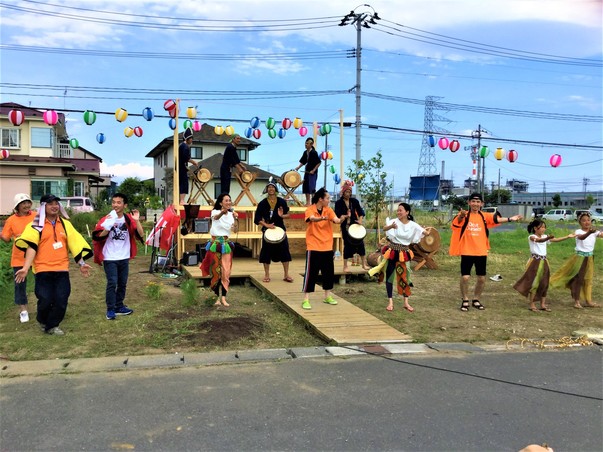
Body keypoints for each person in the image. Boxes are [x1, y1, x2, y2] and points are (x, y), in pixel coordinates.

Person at [14, 194, 92, 335]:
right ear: (44, 207)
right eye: (50, 204)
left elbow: (75, 244)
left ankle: (52, 325)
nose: (54, 206)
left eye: (56, 203)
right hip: (42, 269)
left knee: (62, 299)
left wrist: (82, 263)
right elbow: (31, 247)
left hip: (62, 268)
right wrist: (25, 268)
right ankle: (43, 320)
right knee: (45, 299)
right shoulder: (36, 225)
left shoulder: (65, 224)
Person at [449, 192, 522, 312]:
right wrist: (461, 215)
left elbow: (496, 219)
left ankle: (476, 299)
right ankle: (465, 299)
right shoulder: (464, 215)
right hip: (467, 251)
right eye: (473, 201)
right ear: (469, 202)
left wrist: (510, 219)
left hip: (481, 251)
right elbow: (456, 222)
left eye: (478, 202)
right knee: (465, 277)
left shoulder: (484, 216)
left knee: (481, 278)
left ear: (482, 204)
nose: (475, 204)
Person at [371, 203, 433, 312]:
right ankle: (390, 302)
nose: (398, 212)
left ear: (407, 212)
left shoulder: (413, 225)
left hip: (404, 253)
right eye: (398, 210)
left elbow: (424, 232)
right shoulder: (394, 221)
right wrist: (391, 226)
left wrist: (427, 232)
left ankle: (406, 302)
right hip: (393, 252)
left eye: (401, 210)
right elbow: (385, 228)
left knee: (406, 276)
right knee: (390, 275)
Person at [92, 193, 145, 320]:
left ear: (124, 205)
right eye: (114, 202)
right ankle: (110, 309)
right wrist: (108, 226)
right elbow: (98, 236)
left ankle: (119, 306)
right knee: (112, 282)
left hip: (124, 256)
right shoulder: (107, 218)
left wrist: (137, 220)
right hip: (110, 257)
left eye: (119, 202)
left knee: (122, 283)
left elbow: (141, 235)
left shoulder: (128, 219)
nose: (115, 205)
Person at [512, 219, 574, 312]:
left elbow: (555, 240)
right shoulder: (531, 237)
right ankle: (532, 304)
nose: (543, 229)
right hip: (535, 262)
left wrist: (568, 236)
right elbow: (539, 240)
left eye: (544, 227)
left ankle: (542, 304)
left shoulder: (545, 236)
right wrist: (547, 238)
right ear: (535, 228)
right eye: (541, 227)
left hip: (544, 261)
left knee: (544, 283)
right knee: (534, 282)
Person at [302, 187, 348, 310]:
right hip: (313, 246)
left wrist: (342, 218)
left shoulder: (329, 210)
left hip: (327, 246)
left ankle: (327, 296)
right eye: (327, 198)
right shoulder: (310, 209)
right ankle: (306, 299)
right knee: (311, 273)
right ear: (320, 199)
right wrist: (320, 218)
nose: (329, 200)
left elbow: (336, 220)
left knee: (328, 273)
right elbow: (311, 218)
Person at [551, 212, 603, 309]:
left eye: (588, 220)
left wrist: (593, 232)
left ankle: (588, 300)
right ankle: (577, 301)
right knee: (578, 279)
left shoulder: (594, 232)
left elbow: (601, 234)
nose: (586, 222)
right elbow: (582, 238)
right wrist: (589, 232)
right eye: (584, 220)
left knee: (588, 279)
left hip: (589, 258)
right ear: (580, 222)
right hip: (579, 258)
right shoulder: (578, 231)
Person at [1, 193, 36, 323]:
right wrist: (1, 235)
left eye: (28, 202)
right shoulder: (11, 220)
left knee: (42, 282)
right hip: (19, 257)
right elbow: (6, 238)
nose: (27, 205)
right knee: (20, 285)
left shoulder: (35, 216)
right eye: (23, 203)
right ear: (17, 206)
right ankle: (23, 310)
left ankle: (45, 304)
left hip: (37, 255)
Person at [200, 193, 238, 307]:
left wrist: (235, 219)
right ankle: (216, 297)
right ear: (221, 203)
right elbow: (216, 218)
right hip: (215, 244)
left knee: (226, 272)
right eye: (226, 200)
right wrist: (223, 212)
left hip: (226, 244)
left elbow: (235, 230)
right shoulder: (215, 212)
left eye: (229, 200)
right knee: (215, 270)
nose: (228, 202)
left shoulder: (231, 214)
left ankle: (224, 298)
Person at [253, 179, 293, 283]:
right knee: (266, 253)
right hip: (267, 229)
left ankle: (286, 274)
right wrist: (266, 225)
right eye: (269, 187)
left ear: (275, 189)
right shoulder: (262, 203)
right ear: (266, 189)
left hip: (280, 228)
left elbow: (288, 215)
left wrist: (282, 215)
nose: (271, 189)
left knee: (284, 251)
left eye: (273, 187)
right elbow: (257, 219)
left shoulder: (281, 201)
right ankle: (266, 275)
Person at [334, 180, 369, 272]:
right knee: (347, 245)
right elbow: (337, 215)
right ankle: (345, 266)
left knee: (361, 244)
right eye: (346, 192)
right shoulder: (339, 203)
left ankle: (364, 264)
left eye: (349, 192)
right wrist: (345, 216)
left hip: (354, 224)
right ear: (343, 192)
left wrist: (360, 220)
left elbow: (361, 212)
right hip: (345, 226)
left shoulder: (354, 201)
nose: (348, 194)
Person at [294, 137, 321, 206]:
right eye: (305, 143)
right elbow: (303, 161)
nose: (305, 145)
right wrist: (298, 167)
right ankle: (308, 202)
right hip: (307, 171)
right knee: (306, 186)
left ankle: (314, 203)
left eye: (307, 143)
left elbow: (319, 163)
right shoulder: (305, 152)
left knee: (311, 188)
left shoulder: (314, 152)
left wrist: (313, 170)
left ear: (311, 144)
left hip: (312, 173)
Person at [178, 127, 198, 205]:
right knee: (184, 183)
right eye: (191, 138)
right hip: (181, 168)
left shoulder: (182, 146)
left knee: (182, 183)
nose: (192, 140)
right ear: (187, 139)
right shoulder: (185, 146)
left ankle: (181, 200)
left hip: (181, 167)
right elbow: (186, 158)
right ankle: (182, 201)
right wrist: (194, 162)